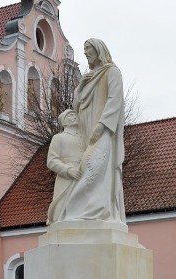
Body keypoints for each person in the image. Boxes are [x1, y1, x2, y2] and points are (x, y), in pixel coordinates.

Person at [51, 38, 125, 223]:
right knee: (86, 167)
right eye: (84, 51)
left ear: (98, 50)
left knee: (96, 167)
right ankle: (74, 212)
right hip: (85, 130)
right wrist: (81, 85)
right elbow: (76, 107)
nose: (85, 54)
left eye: (88, 50)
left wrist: (102, 125)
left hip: (103, 129)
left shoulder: (112, 72)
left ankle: (92, 210)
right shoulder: (90, 77)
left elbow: (114, 100)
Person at [46, 109, 84, 225]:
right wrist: (68, 170)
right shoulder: (58, 138)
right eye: (70, 116)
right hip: (65, 177)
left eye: (75, 115)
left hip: (83, 174)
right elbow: (51, 160)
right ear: (64, 122)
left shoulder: (84, 138)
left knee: (80, 204)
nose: (74, 117)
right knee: (62, 206)